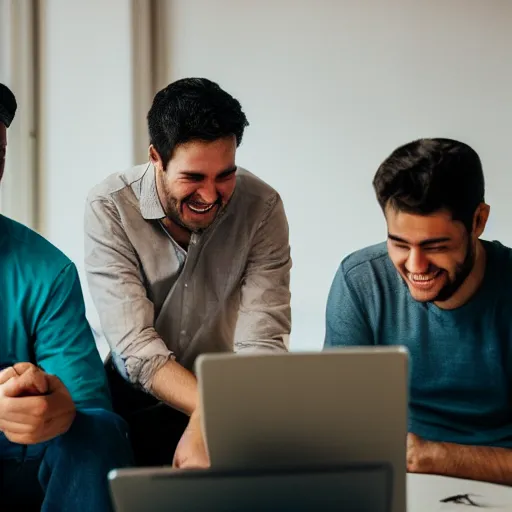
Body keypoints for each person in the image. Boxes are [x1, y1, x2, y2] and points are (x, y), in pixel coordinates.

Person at [84, 77, 291, 468]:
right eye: (193, 177)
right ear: (156, 159)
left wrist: (212, 416)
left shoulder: (262, 208)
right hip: (134, 398)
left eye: (225, 175)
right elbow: (137, 350)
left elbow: (262, 343)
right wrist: (212, 410)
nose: (211, 195)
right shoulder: (111, 206)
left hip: (236, 390)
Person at [324, 138, 512, 485]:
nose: (415, 265)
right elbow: (342, 428)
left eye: (435, 246)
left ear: (478, 221)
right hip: (399, 475)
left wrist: (436, 456)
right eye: (399, 244)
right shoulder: (361, 281)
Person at [0, 83, 133, 511]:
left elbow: (88, 408)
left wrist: (55, 408)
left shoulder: (47, 271)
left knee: (96, 433)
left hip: (18, 464)